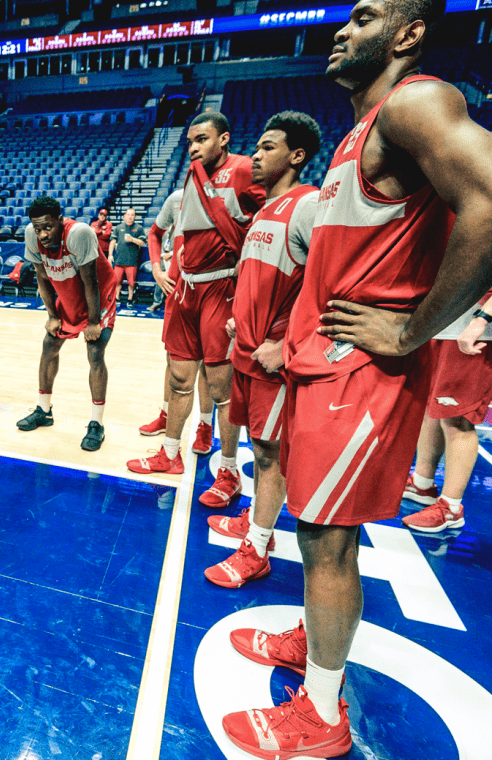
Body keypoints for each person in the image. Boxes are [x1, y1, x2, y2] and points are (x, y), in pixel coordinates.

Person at [222, 2, 492, 757]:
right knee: (319, 534)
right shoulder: (361, 132)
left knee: (327, 539)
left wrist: (412, 330)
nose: (343, 28)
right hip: (327, 366)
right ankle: (313, 641)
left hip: (363, 374)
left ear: (408, 34)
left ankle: (321, 715)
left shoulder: (416, 102)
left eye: (366, 16)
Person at [204, 111, 322, 589]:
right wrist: (240, 316)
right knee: (259, 446)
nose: (254, 155)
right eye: (255, 147)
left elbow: (328, 285)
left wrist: (288, 344)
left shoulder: (307, 205)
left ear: (297, 156)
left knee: (270, 454)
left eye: (267, 147)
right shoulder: (262, 212)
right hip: (247, 351)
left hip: (274, 361)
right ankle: (259, 521)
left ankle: (257, 550)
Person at [127, 111, 265, 515]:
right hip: (186, 288)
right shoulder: (191, 175)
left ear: (224, 138)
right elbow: (167, 233)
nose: (193, 147)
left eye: (201, 139)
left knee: (222, 389)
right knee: (179, 377)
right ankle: (171, 453)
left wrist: (248, 269)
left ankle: (229, 471)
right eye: (190, 141)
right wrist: (160, 268)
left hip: (221, 287)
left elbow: (270, 217)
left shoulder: (243, 169)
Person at [15, 195, 116, 451]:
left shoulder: (78, 234)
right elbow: (41, 277)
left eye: (48, 227)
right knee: (49, 346)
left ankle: (96, 423)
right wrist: (52, 316)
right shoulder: (32, 235)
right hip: (69, 292)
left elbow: (91, 282)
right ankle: (43, 411)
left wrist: (93, 322)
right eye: (38, 228)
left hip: (99, 294)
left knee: (95, 352)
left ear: (60, 220)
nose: (43, 234)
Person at [400, 289, 492, 532]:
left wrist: (483, 319)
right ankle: (422, 484)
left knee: (457, 417)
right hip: (446, 324)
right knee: (432, 408)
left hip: (476, 331)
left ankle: (451, 508)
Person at [138, 188, 214, 451]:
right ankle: (166, 415)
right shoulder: (176, 198)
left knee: (207, 365)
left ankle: (205, 426)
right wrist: (157, 270)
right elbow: (154, 234)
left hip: (210, 293)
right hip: (176, 291)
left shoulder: (227, 195)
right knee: (172, 360)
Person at [107, 207, 145, 305]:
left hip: (132, 261)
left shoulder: (139, 228)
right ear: (124, 216)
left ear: (135, 217)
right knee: (117, 281)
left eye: (132, 215)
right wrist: (110, 255)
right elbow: (112, 241)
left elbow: (143, 242)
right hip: (119, 260)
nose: (130, 217)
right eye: (128, 215)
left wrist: (133, 239)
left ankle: (130, 299)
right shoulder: (118, 227)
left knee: (131, 282)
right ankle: (117, 298)